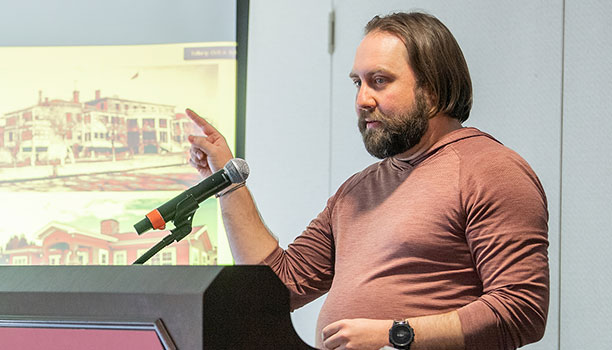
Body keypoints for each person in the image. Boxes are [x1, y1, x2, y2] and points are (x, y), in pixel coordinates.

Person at [187, 12, 548, 350]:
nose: (362, 100)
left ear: (433, 91)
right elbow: (278, 287)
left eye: (380, 81)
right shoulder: (356, 191)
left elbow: (521, 309)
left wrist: (394, 333)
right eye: (357, 83)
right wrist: (226, 182)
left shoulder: (490, 170)